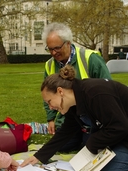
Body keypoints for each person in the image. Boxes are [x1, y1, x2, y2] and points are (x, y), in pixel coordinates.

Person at [42, 22, 111, 152]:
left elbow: (107, 89)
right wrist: (51, 119)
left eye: (57, 48)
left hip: (91, 118)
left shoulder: (91, 58)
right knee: (61, 146)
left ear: (68, 43)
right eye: (50, 49)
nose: (53, 53)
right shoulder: (49, 65)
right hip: (68, 119)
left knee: (91, 149)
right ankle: (79, 139)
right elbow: (48, 95)